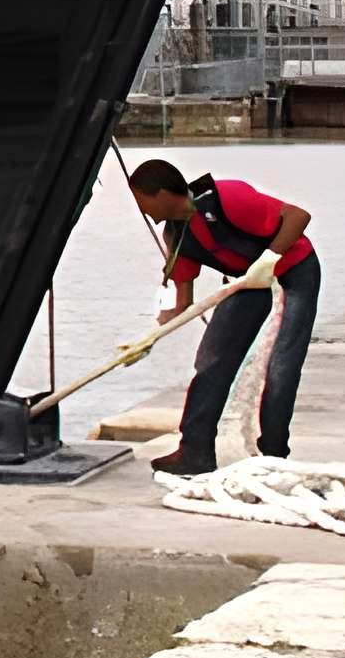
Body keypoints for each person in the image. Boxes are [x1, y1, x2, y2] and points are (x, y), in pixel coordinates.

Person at [126, 157, 321, 478]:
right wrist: (152, 337)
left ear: (160, 193)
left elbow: (299, 216)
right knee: (211, 361)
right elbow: (182, 303)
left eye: (141, 199)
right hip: (246, 281)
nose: (141, 210)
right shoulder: (176, 238)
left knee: (281, 367)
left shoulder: (227, 198)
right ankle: (195, 453)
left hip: (294, 269)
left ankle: (273, 456)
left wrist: (270, 258)